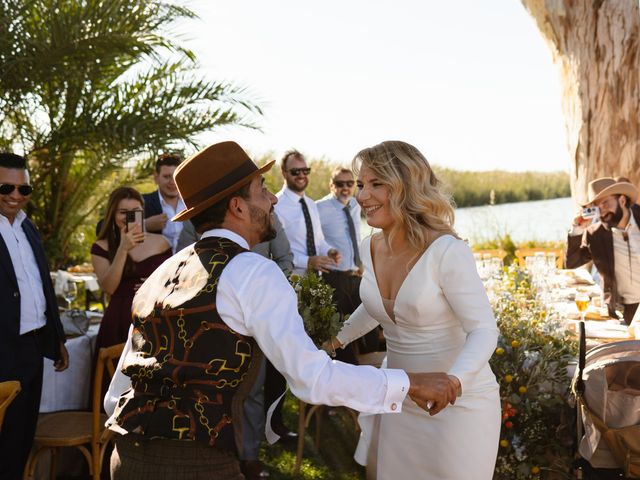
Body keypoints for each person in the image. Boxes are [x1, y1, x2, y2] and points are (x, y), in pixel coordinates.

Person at [104, 141, 458, 479]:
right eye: (261, 189)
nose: (273, 198)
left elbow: (114, 396)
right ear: (238, 207)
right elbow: (313, 379)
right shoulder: (253, 272)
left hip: (125, 460)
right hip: (197, 465)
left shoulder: (160, 275)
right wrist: (409, 382)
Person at [325, 141, 501, 479]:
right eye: (362, 184)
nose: (362, 196)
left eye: (377, 184)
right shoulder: (370, 245)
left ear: (407, 187)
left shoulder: (447, 250)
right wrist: (333, 341)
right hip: (401, 399)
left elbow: (483, 330)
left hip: (460, 405)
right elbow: (376, 308)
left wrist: (453, 382)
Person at [177, 215, 296, 479]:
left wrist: (269, 299)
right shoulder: (196, 222)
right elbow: (184, 266)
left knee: (252, 392)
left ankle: (249, 456)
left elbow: (285, 260)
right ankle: (213, 455)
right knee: (208, 393)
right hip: (208, 327)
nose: (271, 199)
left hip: (255, 323)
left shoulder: (268, 218)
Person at [0, 152, 69, 479]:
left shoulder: (29, 228)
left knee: (22, 436)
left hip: (31, 348)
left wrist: (56, 338)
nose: (15, 195)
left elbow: (41, 286)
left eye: (23, 189)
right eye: (6, 187)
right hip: (3, 351)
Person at [91, 187, 172, 351]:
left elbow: (173, 284)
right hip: (119, 318)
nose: (129, 216)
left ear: (143, 212)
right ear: (113, 215)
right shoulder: (101, 247)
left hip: (154, 319)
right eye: (123, 212)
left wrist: (153, 288)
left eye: (135, 211)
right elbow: (109, 287)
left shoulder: (161, 243)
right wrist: (123, 248)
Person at [317, 166, 379, 357]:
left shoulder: (354, 204)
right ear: (331, 185)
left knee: (371, 327)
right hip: (335, 277)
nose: (345, 188)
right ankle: (347, 369)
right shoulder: (319, 208)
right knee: (343, 330)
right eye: (339, 184)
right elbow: (311, 239)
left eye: (349, 183)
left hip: (357, 274)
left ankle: (374, 361)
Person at [566, 176, 640, 324]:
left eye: (605, 203)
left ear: (622, 200)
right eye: (597, 207)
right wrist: (578, 228)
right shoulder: (595, 234)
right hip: (624, 311)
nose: (602, 211)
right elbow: (572, 262)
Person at [274, 149, 340, 275]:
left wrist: (329, 251)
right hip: (291, 282)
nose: (301, 175)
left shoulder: (311, 204)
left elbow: (319, 241)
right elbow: (276, 253)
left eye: (305, 171)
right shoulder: (275, 206)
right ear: (284, 173)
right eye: (295, 171)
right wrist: (307, 261)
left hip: (316, 282)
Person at [143, 154, 185, 253]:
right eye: (167, 177)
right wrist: (145, 225)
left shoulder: (193, 203)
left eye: (176, 177)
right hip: (156, 266)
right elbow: (103, 227)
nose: (173, 182)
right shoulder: (142, 202)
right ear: (156, 177)